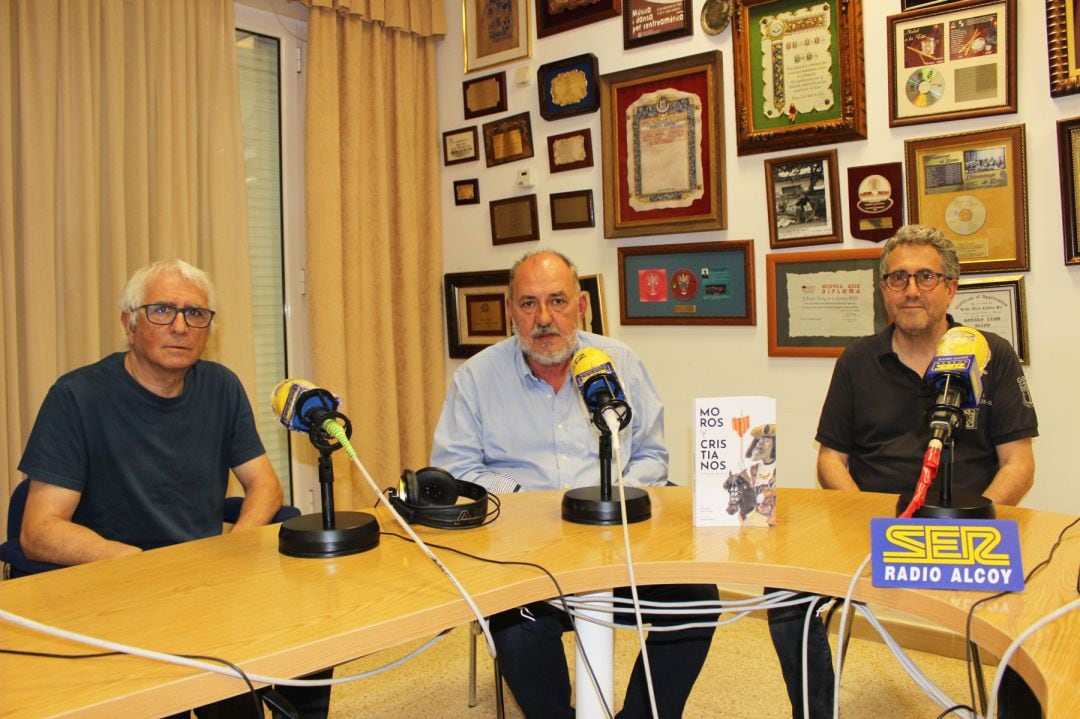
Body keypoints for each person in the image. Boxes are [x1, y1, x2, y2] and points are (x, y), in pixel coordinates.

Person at [17, 259, 329, 719]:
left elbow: (264, 485)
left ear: (208, 328)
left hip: (206, 591)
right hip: (113, 593)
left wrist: (237, 546)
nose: (181, 326)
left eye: (195, 314)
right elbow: (38, 531)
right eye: (162, 310)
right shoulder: (77, 397)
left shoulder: (220, 386)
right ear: (129, 323)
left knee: (312, 650)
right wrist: (141, 566)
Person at [431, 249, 719, 719]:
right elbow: (457, 469)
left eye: (557, 301)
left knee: (697, 599)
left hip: (618, 546)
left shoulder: (619, 363)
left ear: (581, 306)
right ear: (510, 311)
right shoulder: (477, 378)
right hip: (525, 557)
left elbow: (652, 456)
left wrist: (611, 501)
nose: (544, 319)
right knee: (512, 626)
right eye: (528, 304)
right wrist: (531, 505)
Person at [765, 225, 1039, 718]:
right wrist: (863, 523)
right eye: (897, 278)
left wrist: (984, 523)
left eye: (926, 277)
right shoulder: (857, 360)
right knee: (783, 594)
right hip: (873, 530)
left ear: (951, 287)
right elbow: (832, 459)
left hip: (968, 529)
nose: (911, 290)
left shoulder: (991, 354)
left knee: (1038, 603)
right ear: (883, 290)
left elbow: (1019, 462)